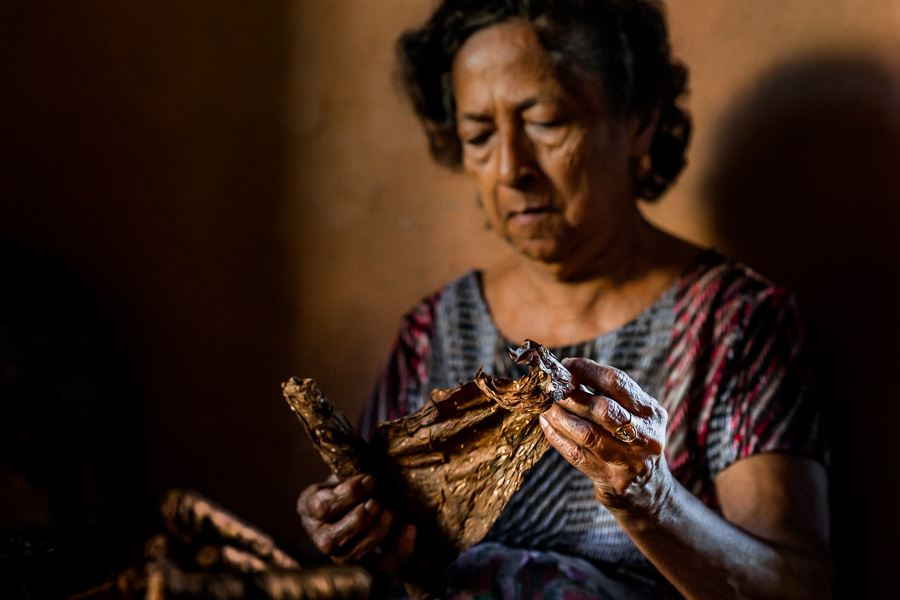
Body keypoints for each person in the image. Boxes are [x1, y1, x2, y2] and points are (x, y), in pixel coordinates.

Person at [297, 1, 831, 598]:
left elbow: (799, 588)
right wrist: (350, 528)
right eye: (478, 135)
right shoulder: (434, 332)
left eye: (547, 122)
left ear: (638, 121)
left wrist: (653, 499)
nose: (509, 168)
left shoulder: (733, 324)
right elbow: (382, 560)